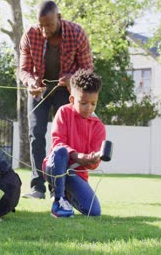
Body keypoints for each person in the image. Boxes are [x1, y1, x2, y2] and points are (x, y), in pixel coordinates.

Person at [19, 0, 94, 199]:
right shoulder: (30, 34)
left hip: (65, 91)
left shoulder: (77, 33)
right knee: (36, 135)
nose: (44, 30)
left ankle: (58, 188)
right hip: (39, 90)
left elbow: (88, 69)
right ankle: (38, 187)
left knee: (62, 139)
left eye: (49, 25)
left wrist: (73, 79)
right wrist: (29, 82)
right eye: (41, 25)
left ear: (59, 18)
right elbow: (24, 70)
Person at [43, 69, 105, 217]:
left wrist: (92, 159)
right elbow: (58, 143)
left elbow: (94, 164)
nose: (88, 107)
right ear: (72, 99)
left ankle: (67, 197)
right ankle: (58, 200)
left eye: (93, 103)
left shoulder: (98, 126)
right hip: (54, 167)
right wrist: (77, 156)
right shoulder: (63, 112)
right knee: (60, 151)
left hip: (76, 174)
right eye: (83, 103)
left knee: (94, 211)